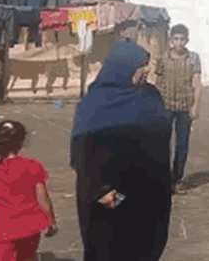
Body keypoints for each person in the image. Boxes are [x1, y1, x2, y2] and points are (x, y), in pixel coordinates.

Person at [70, 40, 172, 261]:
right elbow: (81, 151)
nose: (146, 72)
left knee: (145, 246)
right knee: (109, 247)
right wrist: (101, 190)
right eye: (140, 67)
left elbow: (163, 132)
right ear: (123, 67)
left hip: (148, 191)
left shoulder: (150, 95)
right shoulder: (94, 103)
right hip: (111, 193)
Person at [0, 120, 58, 261]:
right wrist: (51, 221)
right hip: (31, 226)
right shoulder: (32, 165)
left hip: (5, 229)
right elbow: (43, 198)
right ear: (21, 142)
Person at [154, 24, 203, 193]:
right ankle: (164, 180)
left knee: (182, 145)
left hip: (185, 106)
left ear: (187, 41)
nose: (179, 42)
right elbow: (157, 82)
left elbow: (197, 83)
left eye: (182, 39)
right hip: (166, 106)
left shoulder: (193, 58)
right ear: (171, 40)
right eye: (176, 39)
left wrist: (195, 106)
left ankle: (178, 179)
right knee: (162, 144)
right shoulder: (163, 58)